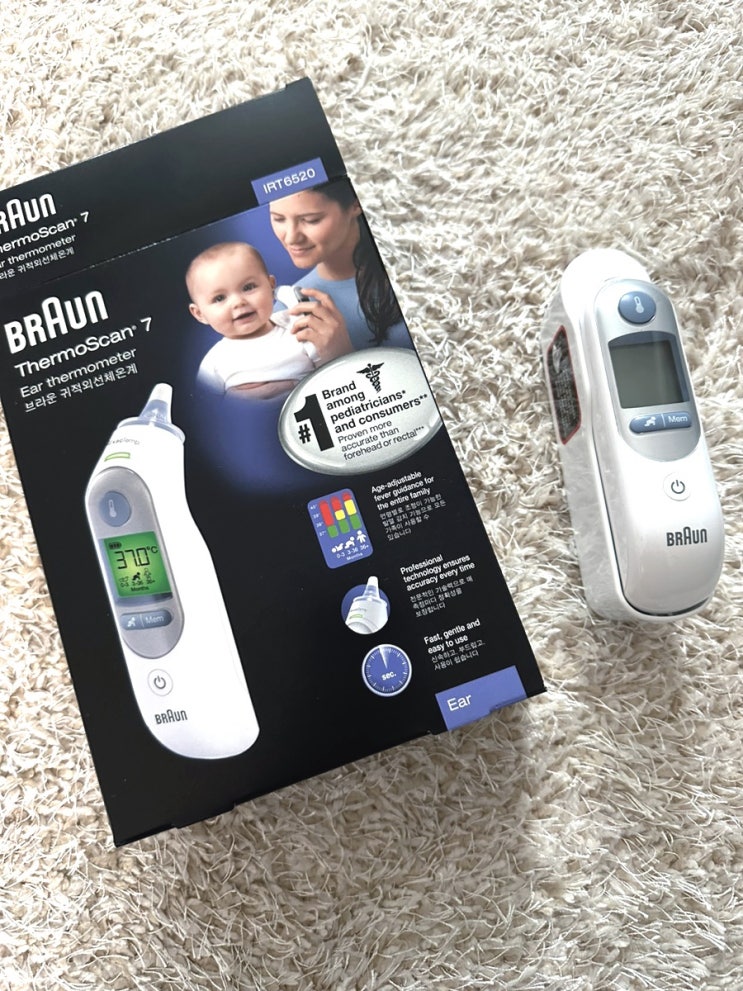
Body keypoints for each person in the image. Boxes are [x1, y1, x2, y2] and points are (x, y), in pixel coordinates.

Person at [268, 178, 412, 357]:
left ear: (356, 204)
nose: (291, 238)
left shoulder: (415, 267)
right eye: (278, 219)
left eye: (311, 220)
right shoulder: (290, 309)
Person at [186, 241, 318, 400]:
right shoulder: (213, 363)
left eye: (248, 287)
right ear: (199, 314)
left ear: (271, 286)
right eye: (219, 298)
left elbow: (328, 368)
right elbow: (207, 406)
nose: (238, 302)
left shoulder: (296, 326)